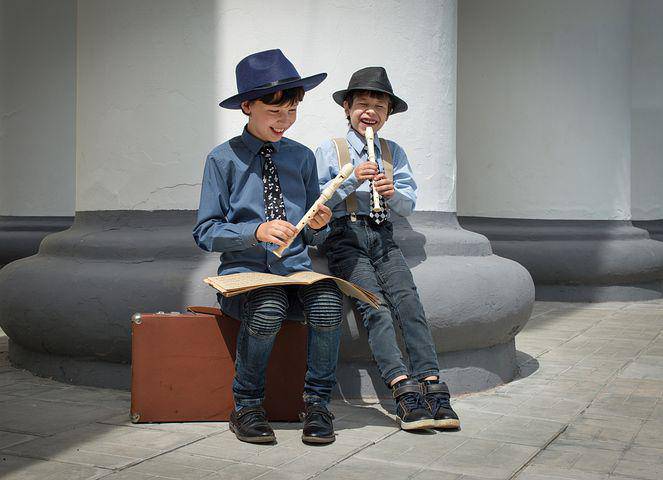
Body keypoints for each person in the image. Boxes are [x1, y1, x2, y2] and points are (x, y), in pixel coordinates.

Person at [193, 49, 343, 444]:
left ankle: (317, 405)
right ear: (247, 106)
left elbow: (312, 234)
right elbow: (205, 231)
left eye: (291, 111)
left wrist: (318, 226)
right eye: (275, 111)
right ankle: (246, 406)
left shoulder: (302, 157)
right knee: (269, 301)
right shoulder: (221, 159)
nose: (285, 121)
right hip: (245, 279)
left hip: (295, 272)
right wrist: (254, 232)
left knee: (328, 297)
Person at [315, 67, 460, 431]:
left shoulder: (393, 152)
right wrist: (350, 183)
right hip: (344, 238)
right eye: (362, 103)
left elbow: (409, 204)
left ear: (388, 114)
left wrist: (393, 192)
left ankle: (431, 385)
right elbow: (315, 204)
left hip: (382, 234)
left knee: (409, 304)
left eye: (379, 106)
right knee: (375, 309)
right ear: (347, 107)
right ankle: (401, 389)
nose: (370, 112)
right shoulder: (330, 149)